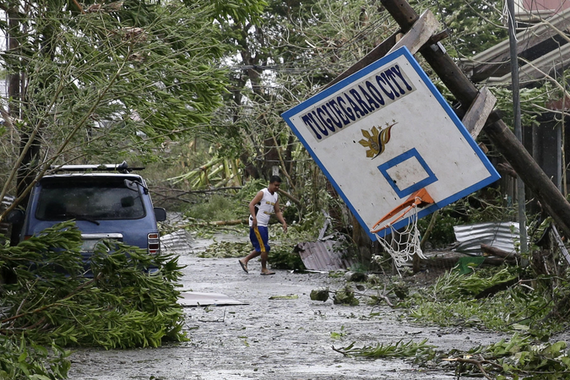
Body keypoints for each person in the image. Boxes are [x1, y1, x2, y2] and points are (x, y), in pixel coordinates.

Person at [239, 175, 287, 275]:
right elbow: (251, 204)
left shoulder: (276, 196)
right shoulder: (263, 193)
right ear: (270, 184)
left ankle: (245, 260)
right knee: (263, 247)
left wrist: (283, 222)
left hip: (264, 224)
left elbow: (277, 211)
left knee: (264, 247)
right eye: (275, 185)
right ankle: (263, 269)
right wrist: (254, 218)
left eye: (278, 186)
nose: (277, 188)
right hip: (256, 223)